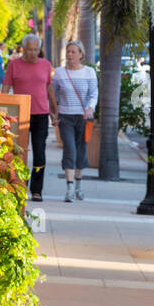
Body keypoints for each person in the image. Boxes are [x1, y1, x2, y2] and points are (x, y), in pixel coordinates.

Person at [3, 32, 57, 201]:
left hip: (41, 115)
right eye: (30, 50)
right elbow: (5, 88)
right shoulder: (14, 65)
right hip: (20, 115)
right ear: (23, 49)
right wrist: (3, 112)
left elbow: (49, 89)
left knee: (40, 153)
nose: (33, 53)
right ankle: (19, 187)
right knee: (19, 153)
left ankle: (36, 190)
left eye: (36, 49)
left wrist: (55, 111)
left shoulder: (46, 65)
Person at [52, 39, 98, 202]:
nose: (70, 54)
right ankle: (70, 189)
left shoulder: (89, 72)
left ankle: (79, 186)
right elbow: (53, 94)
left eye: (73, 52)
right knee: (69, 150)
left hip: (84, 118)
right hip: (66, 117)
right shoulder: (60, 73)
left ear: (81, 54)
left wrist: (90, 108)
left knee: (81, 151)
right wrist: (54, 113)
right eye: (68, 51)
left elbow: (93, 93)